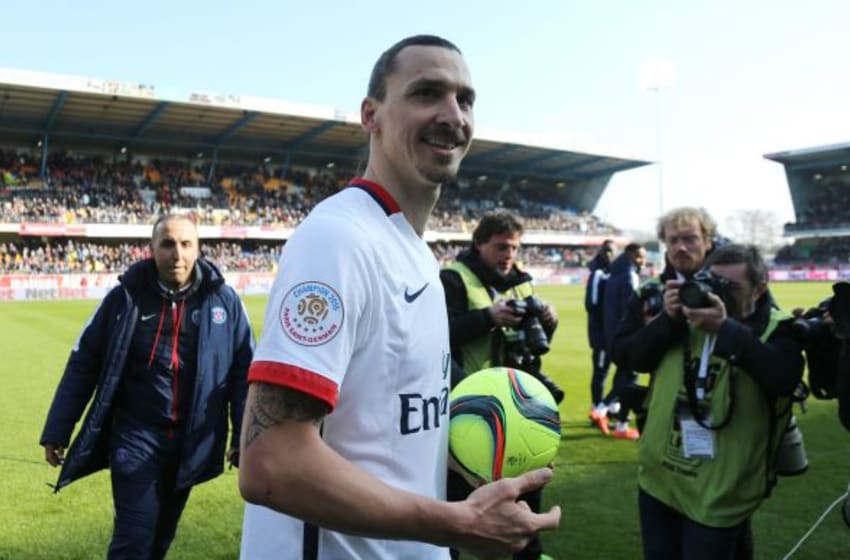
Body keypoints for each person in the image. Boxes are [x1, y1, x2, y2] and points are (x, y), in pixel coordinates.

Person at [237, 35, 560, 560]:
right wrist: (458, 524)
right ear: (372, 114)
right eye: (427, 93)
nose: (453, 115)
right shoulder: (339, 239)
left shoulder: (412, 251)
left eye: (465, 99)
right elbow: (272, 462)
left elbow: (382, 428)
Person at [40, 213, 254, 559]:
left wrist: (242, 437)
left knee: (159, 540)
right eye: (168, 244)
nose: (177, 254)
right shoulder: (124, 298)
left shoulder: (224, 302)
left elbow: (245, 371)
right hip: (135, 438)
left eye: (186, 245)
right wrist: (57, 429)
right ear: (152, 248)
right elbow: (84, 361)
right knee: (134, 538)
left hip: (191, 442)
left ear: (199, 249)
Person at [612, 208, 805, 560]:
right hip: (661, 475)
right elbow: (627, 356)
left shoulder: (763, 312)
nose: (682, 247)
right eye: (674, 240)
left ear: (709, 243)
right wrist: (666, 321)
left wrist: (726, 326)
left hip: (722, 486)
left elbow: (781, 373)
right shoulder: (659, 296)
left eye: (691, 239)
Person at [440, 210, 560, 560]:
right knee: (457, 500)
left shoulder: (522, 281)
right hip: (469, 410)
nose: (509, 255)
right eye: (501, 246)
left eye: (514, 248)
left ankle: (530, 553)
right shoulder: (454, 278)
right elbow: (438, 334)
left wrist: (546, 323)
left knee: (527, 495)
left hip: (522, 406)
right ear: (479, 243)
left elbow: (529, 339)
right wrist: (488, 317)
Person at [590, 242, 646, 439]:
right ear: (631, 255)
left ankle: (620, 423)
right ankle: (603, 408)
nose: (643, 261)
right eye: (640, 256)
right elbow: (632, 310)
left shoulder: (615, 273)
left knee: (625, 375)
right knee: (630, 377)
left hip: (613, 334)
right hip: (628, 335)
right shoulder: (629, 275)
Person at [585, 239, 615, 421]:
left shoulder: (612, 272)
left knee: (615, 369)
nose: (611, 255)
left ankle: (610, 405)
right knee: (601, 371)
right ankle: (597, 406)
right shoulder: (597, 273)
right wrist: (605, 329)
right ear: (603, 252)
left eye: (613, 251)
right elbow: (592, 304)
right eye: (608, 251)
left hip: (612, 333)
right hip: (602, 335)